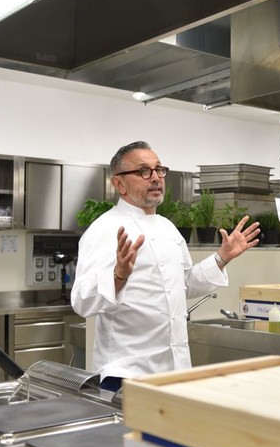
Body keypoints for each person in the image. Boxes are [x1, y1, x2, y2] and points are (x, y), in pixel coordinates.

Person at [72, 141, 259, 388]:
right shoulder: (104, 230)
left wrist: (222, 257)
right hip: (126, 374)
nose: (156, 178)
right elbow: (82, 301)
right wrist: (118, 275)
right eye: (143, 171)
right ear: (119, 184)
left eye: (159, 170)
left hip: (174, 369)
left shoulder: (167, 227)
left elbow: (183, 284)